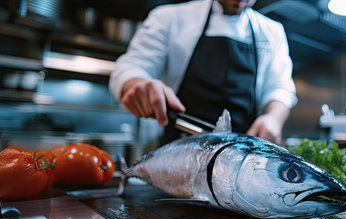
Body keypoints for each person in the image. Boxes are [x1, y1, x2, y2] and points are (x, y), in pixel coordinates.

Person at [109, 0, 297, 145]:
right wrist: (135, 84)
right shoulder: (169, 18)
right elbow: (132, 67)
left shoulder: (272, 32)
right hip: (179, 151)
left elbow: (279, 88)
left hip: (241, 157)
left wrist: (274, 117)